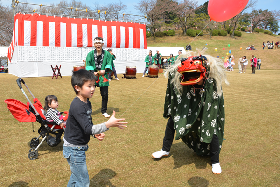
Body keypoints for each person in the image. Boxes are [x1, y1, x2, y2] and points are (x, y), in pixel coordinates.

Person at [152, 54, 227, 174]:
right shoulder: (184, 78)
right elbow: (173, 76)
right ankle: (165, 150)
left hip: (205, 106)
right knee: (173, 120)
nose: (191, 78)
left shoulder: (211, 83)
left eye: (194, 74)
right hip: (190, 103)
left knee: (210, 126)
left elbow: (212, 105)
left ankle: (215, 161)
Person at [63, 69, 127, 187]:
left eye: (94, 85)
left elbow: (87, 124)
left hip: (78, 147)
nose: (93, 89)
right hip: (74, 149)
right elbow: (87, 128)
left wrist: (95, 133)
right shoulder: (77, 105)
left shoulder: (87, 102)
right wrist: (107, 124)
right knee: (83, 182)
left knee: (75, 177)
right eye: (89, 86)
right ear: (77, 88)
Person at [86, 37, 112, 118]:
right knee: (88, 93)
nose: (98, 44)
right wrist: (92, 72)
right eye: (96, 43)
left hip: (103, 76)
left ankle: (104, 111)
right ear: (94, 44)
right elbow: (88, 64)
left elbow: (109, 63)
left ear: (102, 44)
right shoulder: (90, 54)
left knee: (105, 95)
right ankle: (86, 110)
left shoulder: (107, 54)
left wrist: (105, 69)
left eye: (99, 43)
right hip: (92, 76)